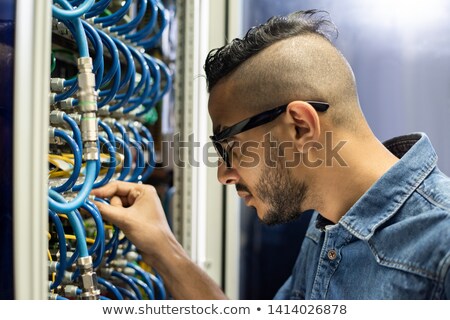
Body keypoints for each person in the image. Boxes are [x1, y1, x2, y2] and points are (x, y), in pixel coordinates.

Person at [92, 10, 450, 299]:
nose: (224, 175)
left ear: (299, 126)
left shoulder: (441, 246)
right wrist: (162, 246)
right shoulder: (330, 226)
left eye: (227, 147)